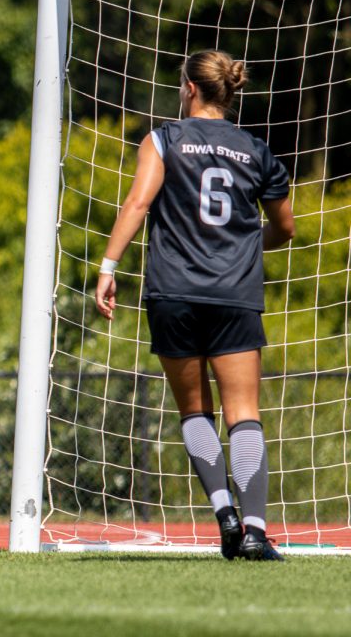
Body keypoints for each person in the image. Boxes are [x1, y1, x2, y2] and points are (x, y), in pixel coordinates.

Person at [94, 50, 295, 561]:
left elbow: (138, 204)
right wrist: (247, 241)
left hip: (172, 293)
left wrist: (108, 267)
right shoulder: (256, 150)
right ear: (228, 92)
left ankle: (225, 515)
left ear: (188, 88)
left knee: (194, 410)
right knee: (244, 413)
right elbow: (285, 228)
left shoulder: (162, 139)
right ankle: (254, 532)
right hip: (235, 295)